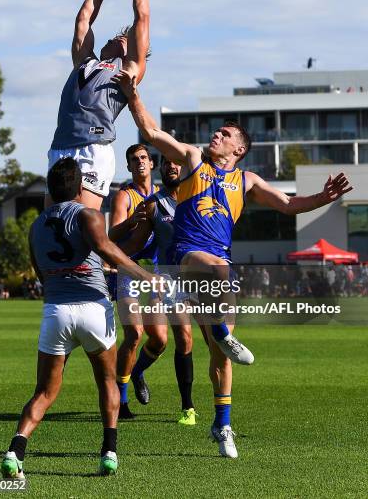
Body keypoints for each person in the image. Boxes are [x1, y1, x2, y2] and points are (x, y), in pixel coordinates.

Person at [113, 71, 353, 458]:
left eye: (225, 135)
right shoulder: (193, 159)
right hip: (186, 256)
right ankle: (223, 331)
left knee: (221, 354)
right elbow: (152, 133)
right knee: (219, 270)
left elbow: (289, 205)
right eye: (217, 132)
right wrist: (132, 93)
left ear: (239, 148)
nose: (216, 136)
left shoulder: (247, 179)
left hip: (216, 263)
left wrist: (323, 197)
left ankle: (222, 424)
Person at [1, 158, 162, 479]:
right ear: (80, 188)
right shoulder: (88, 215)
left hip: (56, 312)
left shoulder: (36, 227)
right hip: (92, 309)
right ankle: (109, 452)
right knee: (106, 381)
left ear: (51, 189)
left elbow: (41, 274)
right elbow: (107, 250)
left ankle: (14, 451)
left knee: (44, 392)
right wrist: (147, 275)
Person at [46, 0, 150, 211]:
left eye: (120, 38)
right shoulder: (84, 61)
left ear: (128, 48)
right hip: (61, 145)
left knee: (82, 223)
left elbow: (142, 19)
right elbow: (83, 19)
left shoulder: (129, 67)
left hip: (93, 147)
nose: (112, 38)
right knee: (51, 224)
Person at [120, 155, 197, 425]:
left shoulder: (198, 197)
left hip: (194, 278)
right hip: (164, 278)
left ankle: (187, 407)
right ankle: (137, 373)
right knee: (157, 338)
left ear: (186, 167)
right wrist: (107, 254)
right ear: (161, 168)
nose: (171, 167)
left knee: (186, 338)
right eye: (166, 163)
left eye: (177, 163)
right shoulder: (152, 204)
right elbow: (135, 242)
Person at [108, 144, 166, 419]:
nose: (139, 162)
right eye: (134, 159)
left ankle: (138, 371)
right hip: (129, 271)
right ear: (129, 167)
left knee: (160, 340)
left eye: (143, 158)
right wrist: (132, 221)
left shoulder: (164, 195)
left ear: (151, 163)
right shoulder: (124, 196)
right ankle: (121, 400)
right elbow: (111, 233)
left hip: (154, 274)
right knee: (134, 334)